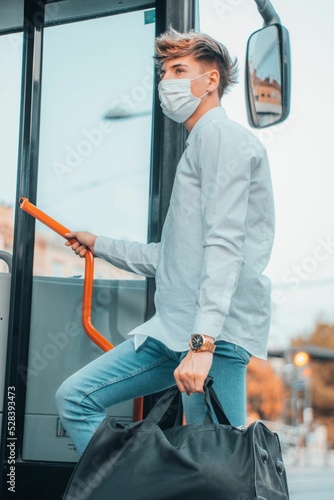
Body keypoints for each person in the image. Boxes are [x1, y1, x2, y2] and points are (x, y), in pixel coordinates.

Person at [55, 28, 275, 455]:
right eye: (163, 73)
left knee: (221, 470)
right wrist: (97, 243)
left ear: (210, 81)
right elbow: (169, 259)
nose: (166, 82)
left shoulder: (220, 138)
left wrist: (202, 345)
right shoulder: (200, 145)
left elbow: (225, 246)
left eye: (179, 70)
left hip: (210, 338)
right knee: (74, 397)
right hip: (173, 333)